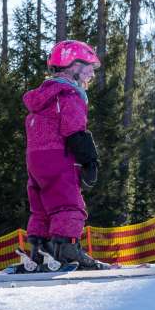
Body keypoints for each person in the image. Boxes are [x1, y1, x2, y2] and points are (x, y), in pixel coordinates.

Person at [22, 40, 109, 271]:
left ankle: (39, 249)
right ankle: (66, 247)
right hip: (57, 156)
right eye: (88, 67)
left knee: (42, 205)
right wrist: (90, 160)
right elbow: (74, 130)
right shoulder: (69, 94)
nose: (91, 73)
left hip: (34, 160)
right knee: (69, 203)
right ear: (73, 66)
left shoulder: (43, 96)